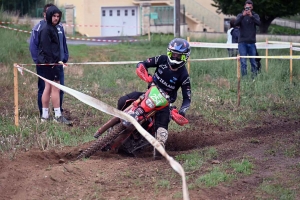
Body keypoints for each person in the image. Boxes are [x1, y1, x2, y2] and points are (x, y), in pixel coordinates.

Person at [117, 38, 191, 159]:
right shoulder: (162, 59)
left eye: (179, 56)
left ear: (185, 57)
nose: (175, 58)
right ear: (169, 53)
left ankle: (159, 145)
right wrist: (143, 71)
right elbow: (143, 63)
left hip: (164, 103)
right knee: (123, 100)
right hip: (148, 93)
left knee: (162, 124)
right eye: (173, 54)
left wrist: (182, 111)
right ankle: (116, 124)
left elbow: (187, 98)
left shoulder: (184, 75)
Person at [29, 3, 69, 122]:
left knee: (48, 88)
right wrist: (52, 64)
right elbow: (46, 49)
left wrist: (63, 58)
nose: (56, 18)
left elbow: (59, 46)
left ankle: (45, 116)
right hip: (50, 65)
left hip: (52, 63)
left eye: (58, 16)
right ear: (48, 15)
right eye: (54, 15)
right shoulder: (46, 29)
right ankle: (56, 116)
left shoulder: (54, 27)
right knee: (53, 88)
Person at [234, 0, 261, 78]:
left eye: (249, 7)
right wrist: (243, 15)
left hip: (252, 42)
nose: (248, 9)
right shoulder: (240, 15)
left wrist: (251, 16)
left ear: (252, 7)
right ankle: (244, 78)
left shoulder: (255, 15)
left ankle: (254, 78)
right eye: (247, 7)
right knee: (243, 62)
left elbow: (259, 23)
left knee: (253, 62)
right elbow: (235, 24)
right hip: (242, 42)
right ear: (244, 7)